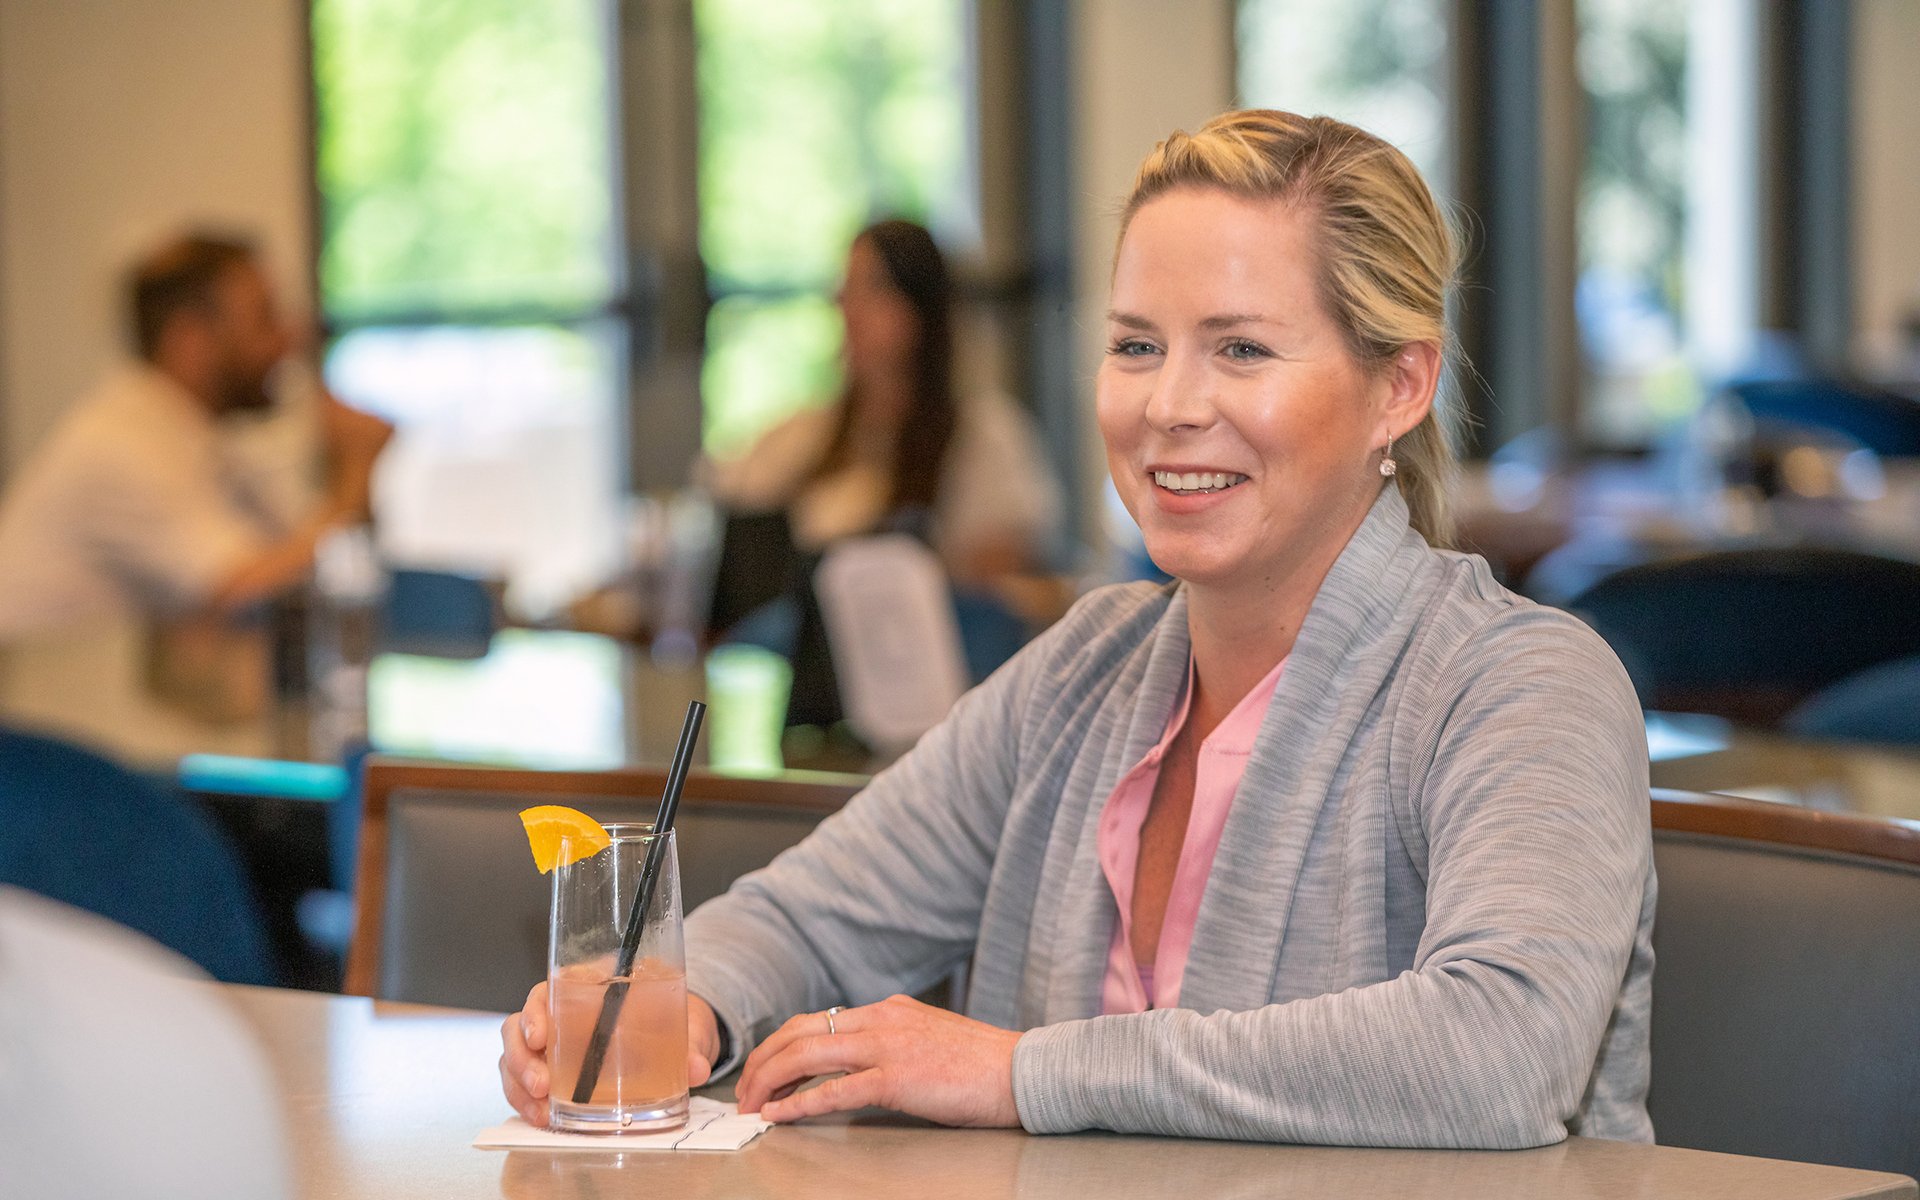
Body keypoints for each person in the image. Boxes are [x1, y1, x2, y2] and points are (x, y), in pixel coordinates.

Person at [502, 110, 1655, 1148]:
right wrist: (686, 1004)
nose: (1169, 405)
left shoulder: (1523, 683)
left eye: (1241, 348)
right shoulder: (1085, 667)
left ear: (1398, 388)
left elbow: (1504, 1050)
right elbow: (813, 914)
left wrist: (1021, 1072)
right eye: (1137, 345)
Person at [0, 232, 392, 639]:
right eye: (264, 318)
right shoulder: (127, 446)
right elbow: (245, 595)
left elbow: (293, 560)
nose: (290, 337)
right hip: (36, 680)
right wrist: (355, 470)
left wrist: (347, 478)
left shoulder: (189, 438)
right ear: (190, 338)